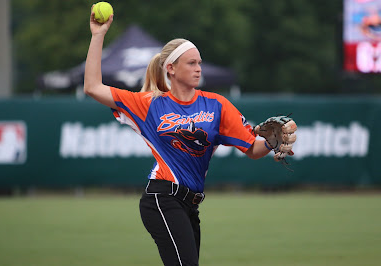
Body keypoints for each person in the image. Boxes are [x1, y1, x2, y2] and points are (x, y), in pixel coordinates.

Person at [84, 6, 295, 266]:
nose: (198, 68)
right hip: (161, 199)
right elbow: (92, 87)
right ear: (171, 68)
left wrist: (272, 141)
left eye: (200, 63)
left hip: (190, 205)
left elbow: (253, 148)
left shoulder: (217, 105)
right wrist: (98, 35)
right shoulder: (150, 104)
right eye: (191, 63)